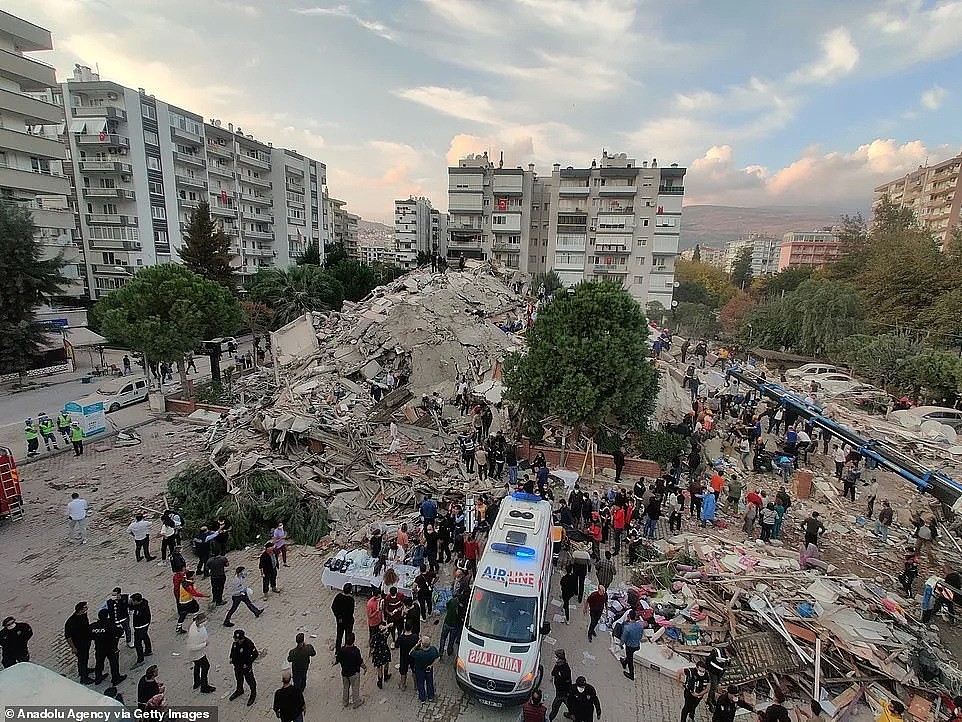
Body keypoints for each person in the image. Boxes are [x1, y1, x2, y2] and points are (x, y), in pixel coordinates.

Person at [90, 608, 126, 686]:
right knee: (114, 664)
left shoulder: (93, 626)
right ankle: (115, 678)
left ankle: (98, 677)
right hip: (111, 648)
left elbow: (90, 636)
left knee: (99, 663)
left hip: (99, 648)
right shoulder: (110, 625)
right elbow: (119, 632)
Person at [333, 632, 366, 709]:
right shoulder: (356, 651)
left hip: (344, 673)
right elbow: (360, 662)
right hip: (354, 673)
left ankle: (345, 702)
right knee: (355, 688)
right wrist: (364, 667)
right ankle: (356, 702)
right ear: (353, 641)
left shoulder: (341, 651)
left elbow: (337, 660)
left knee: (345, 687)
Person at [64, 601, 93, 684]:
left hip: (86, 642)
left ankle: (84, 670)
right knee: (82, 660)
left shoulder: (83, 615)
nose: (87, 608)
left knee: (85, 658)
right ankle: (84, 678)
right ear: (80, 610)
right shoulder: (71, 622)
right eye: (85, 607)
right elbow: (68, 636)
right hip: (79, 644)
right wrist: (73, 647)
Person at [186, 613, 215, 694]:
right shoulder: (194, 633)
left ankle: (197, 682)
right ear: (199, 621)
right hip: (198, 653)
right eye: (204, 621)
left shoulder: (196, 625)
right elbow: (192, 647)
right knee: (206, 666)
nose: (205, 622)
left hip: (198, 653)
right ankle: (204, 686)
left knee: (197, 665)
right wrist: (204, 644)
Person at [228, 628, 259, 706]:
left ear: (242, 638)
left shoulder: (248, 643)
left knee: (250, 680)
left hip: (245, 666)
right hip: (237, 665)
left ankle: (253, 693)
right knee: (239, 678)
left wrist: (248, 663)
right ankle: (239, 690)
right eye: (235, 639)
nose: (236, 640)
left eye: (238, 639)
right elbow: (232, 650)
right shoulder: (235, 643)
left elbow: (255, 654)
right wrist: (231, 657)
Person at [409, 635, 440, 703]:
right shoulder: (433, 650)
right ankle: (431, 697)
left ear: (422, 644)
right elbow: (438, 658)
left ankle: (422, 698)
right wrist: (431, 665)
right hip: (428, 669)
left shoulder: (418, 653)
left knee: (420, 684)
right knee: (430, 682)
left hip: (419, 670)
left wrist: (417, 644)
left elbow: (410, 652)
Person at [128, 593, 151, 667]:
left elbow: (136, 614)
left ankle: (140, 660)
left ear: (136, 601)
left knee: (138, 644)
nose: (131, 602)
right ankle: (148, 650)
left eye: (132, 601)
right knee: (145, 636)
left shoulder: (140, 609)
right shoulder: (144, 603)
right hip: (145, 625)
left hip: (140, 627)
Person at [548, 649, 572, 721]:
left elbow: (565, 682)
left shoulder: (566, 670)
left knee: (555, 707)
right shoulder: (558, 664)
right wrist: (552, 675)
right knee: (569, 705)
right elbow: (555, 669)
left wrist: (556, 676)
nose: (555, 658)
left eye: (556, 657)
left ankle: (549, 719)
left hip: (563, 692)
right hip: (559, 690)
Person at [619, 610, 643, 680]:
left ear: (628, 616)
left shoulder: (627, 627)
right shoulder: (639, 625)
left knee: (630, 659)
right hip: (637, 645)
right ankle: (624, 662)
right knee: (629, 656)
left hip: (630, 646)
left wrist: (621, 644)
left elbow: (623, 638)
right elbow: (641, 635)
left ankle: (631, 674)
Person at [371, 619, 392, 688]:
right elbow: (390, 627)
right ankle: (386, 676)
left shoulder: (374, 636)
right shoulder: (385, 635)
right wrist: (387, 626)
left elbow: (372, 645)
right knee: (386, 663)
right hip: (385, 651)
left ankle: (380, 682)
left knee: (379, 668)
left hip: (377, 653)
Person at [396, 622, 418, 691]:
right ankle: (416, 686)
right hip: (412, 656)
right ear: (411, 628)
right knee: (414, 671)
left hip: (404, 657)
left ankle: (403, 685)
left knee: (403, 671)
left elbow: (396, 645)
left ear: (405, 628)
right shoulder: (414, 637)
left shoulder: (401, 637)